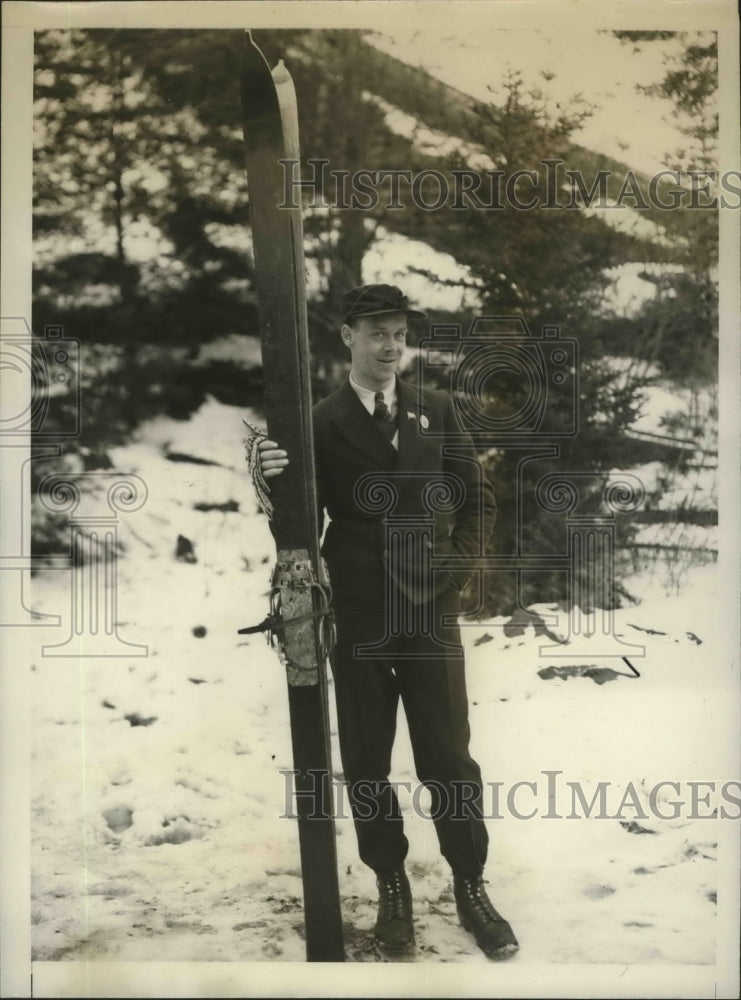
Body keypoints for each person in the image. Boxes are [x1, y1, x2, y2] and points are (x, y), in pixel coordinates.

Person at [255, 283, 518, 960]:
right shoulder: (319, 420)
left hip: (429, 613)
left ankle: (469, 885)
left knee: (449, 760)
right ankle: (391, 889)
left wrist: (455, 574)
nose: (389, 345)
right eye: (375, 332)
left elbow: (476, 501)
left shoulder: (435, 410)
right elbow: (296, 519)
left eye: (398, 332)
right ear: (347, 337)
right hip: (361, 612)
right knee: (367, 760)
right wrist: (266, 475)